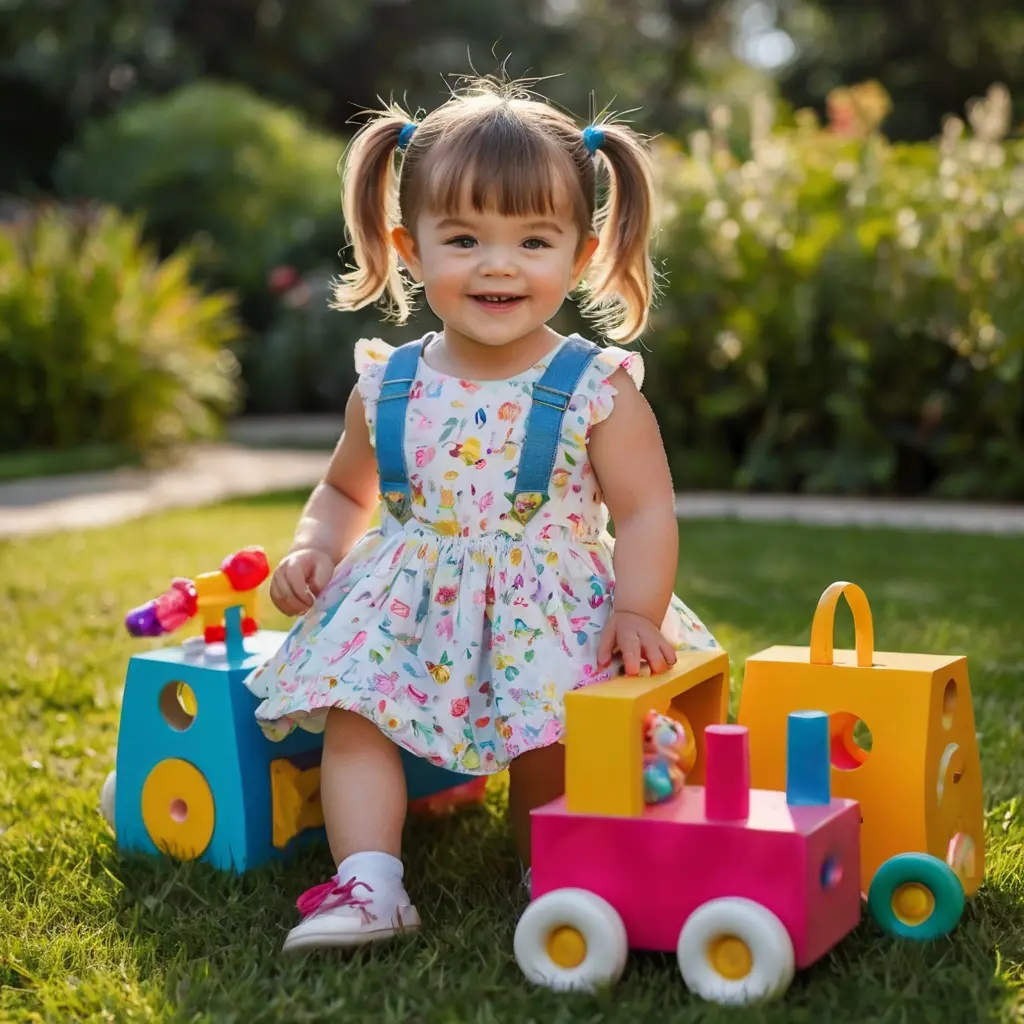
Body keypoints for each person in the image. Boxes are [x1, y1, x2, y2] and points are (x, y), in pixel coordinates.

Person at [244, 76, 720, 953]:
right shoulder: (387, 381)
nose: (498, 265)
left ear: (578, 256)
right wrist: (315, 547)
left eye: (533, 240)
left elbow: (648, 510)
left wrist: (636, 611)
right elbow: (348, 488)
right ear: (410, 247)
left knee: (556, 734)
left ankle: (561, 865)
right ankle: (371, 882)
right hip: (404, 600)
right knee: (357, 713)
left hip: (550, 600)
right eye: (463, 238)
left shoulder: (593, 388)